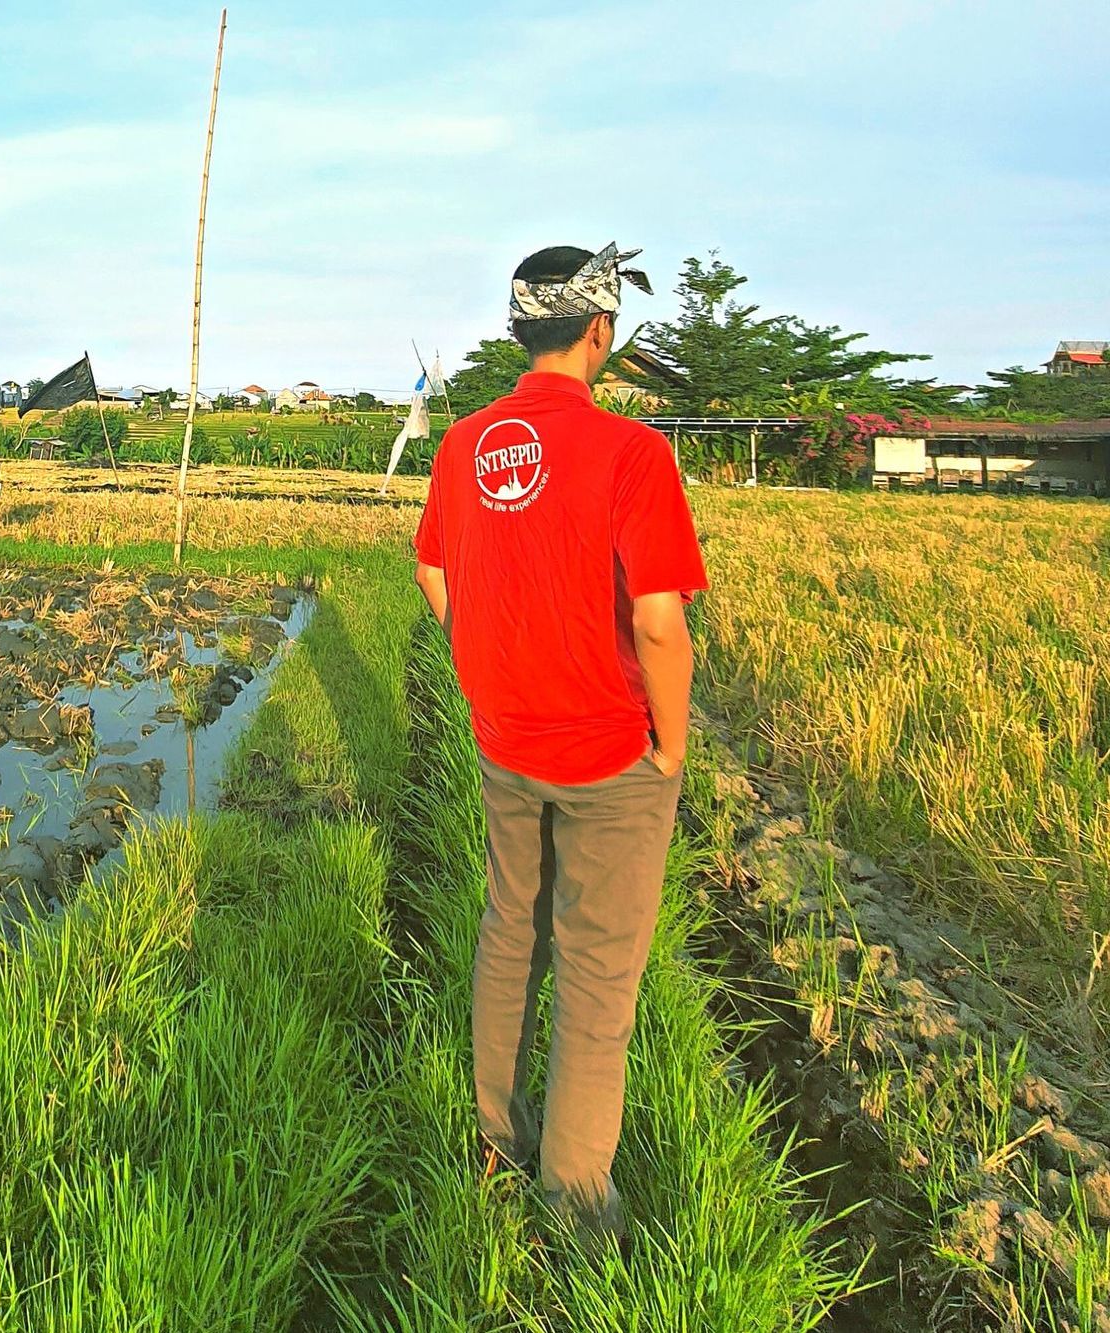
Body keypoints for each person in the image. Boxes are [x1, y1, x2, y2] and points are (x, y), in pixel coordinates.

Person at [410, 242, 707, 1247]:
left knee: (509, 928)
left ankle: (496, 1140)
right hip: (607, 752)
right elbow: (660, 623)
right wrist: (670, 742)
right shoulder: (631, 453)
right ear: (596, 332)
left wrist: (486, 672)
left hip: (504, 737)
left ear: (517, 331)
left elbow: (434, 577)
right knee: (594, 971)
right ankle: (575, 1201)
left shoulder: (461, 446)